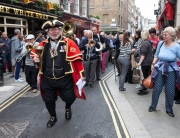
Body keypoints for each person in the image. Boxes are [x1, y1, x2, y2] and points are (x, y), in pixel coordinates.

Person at [33, 20, 86, 128]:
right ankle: (53, 116)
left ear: (60, 30)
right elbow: (35, 59)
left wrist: (82, 74)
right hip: (47, 79)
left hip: (64, 78)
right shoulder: (42, 44)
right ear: (48, 32)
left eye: (56, 29)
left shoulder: (68, 43)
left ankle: (67, 107)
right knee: (48, 100)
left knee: (70, 97)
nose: (54, 32)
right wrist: (36, 60)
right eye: (51, 30)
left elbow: (77, 60)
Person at [149, 27, 180, 117]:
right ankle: (153, 105)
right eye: (163, 34)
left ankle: (169, 109)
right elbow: (157, 55)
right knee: (157, 89)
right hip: (160, 69)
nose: (163, 35)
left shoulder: (177, 46)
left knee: (169, 91)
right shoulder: (161, 44)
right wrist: (153, 63)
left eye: (166, 34)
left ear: (171, 36)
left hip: (171, 71)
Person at [136, 30, 153, 95]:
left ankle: (145, 89)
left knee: (144, 76)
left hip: (145, 62)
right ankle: (144, 88)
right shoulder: (148, 42)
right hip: (148, 61)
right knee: (145, 76)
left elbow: (143, 54)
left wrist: (139, 62)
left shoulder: (145, 43)